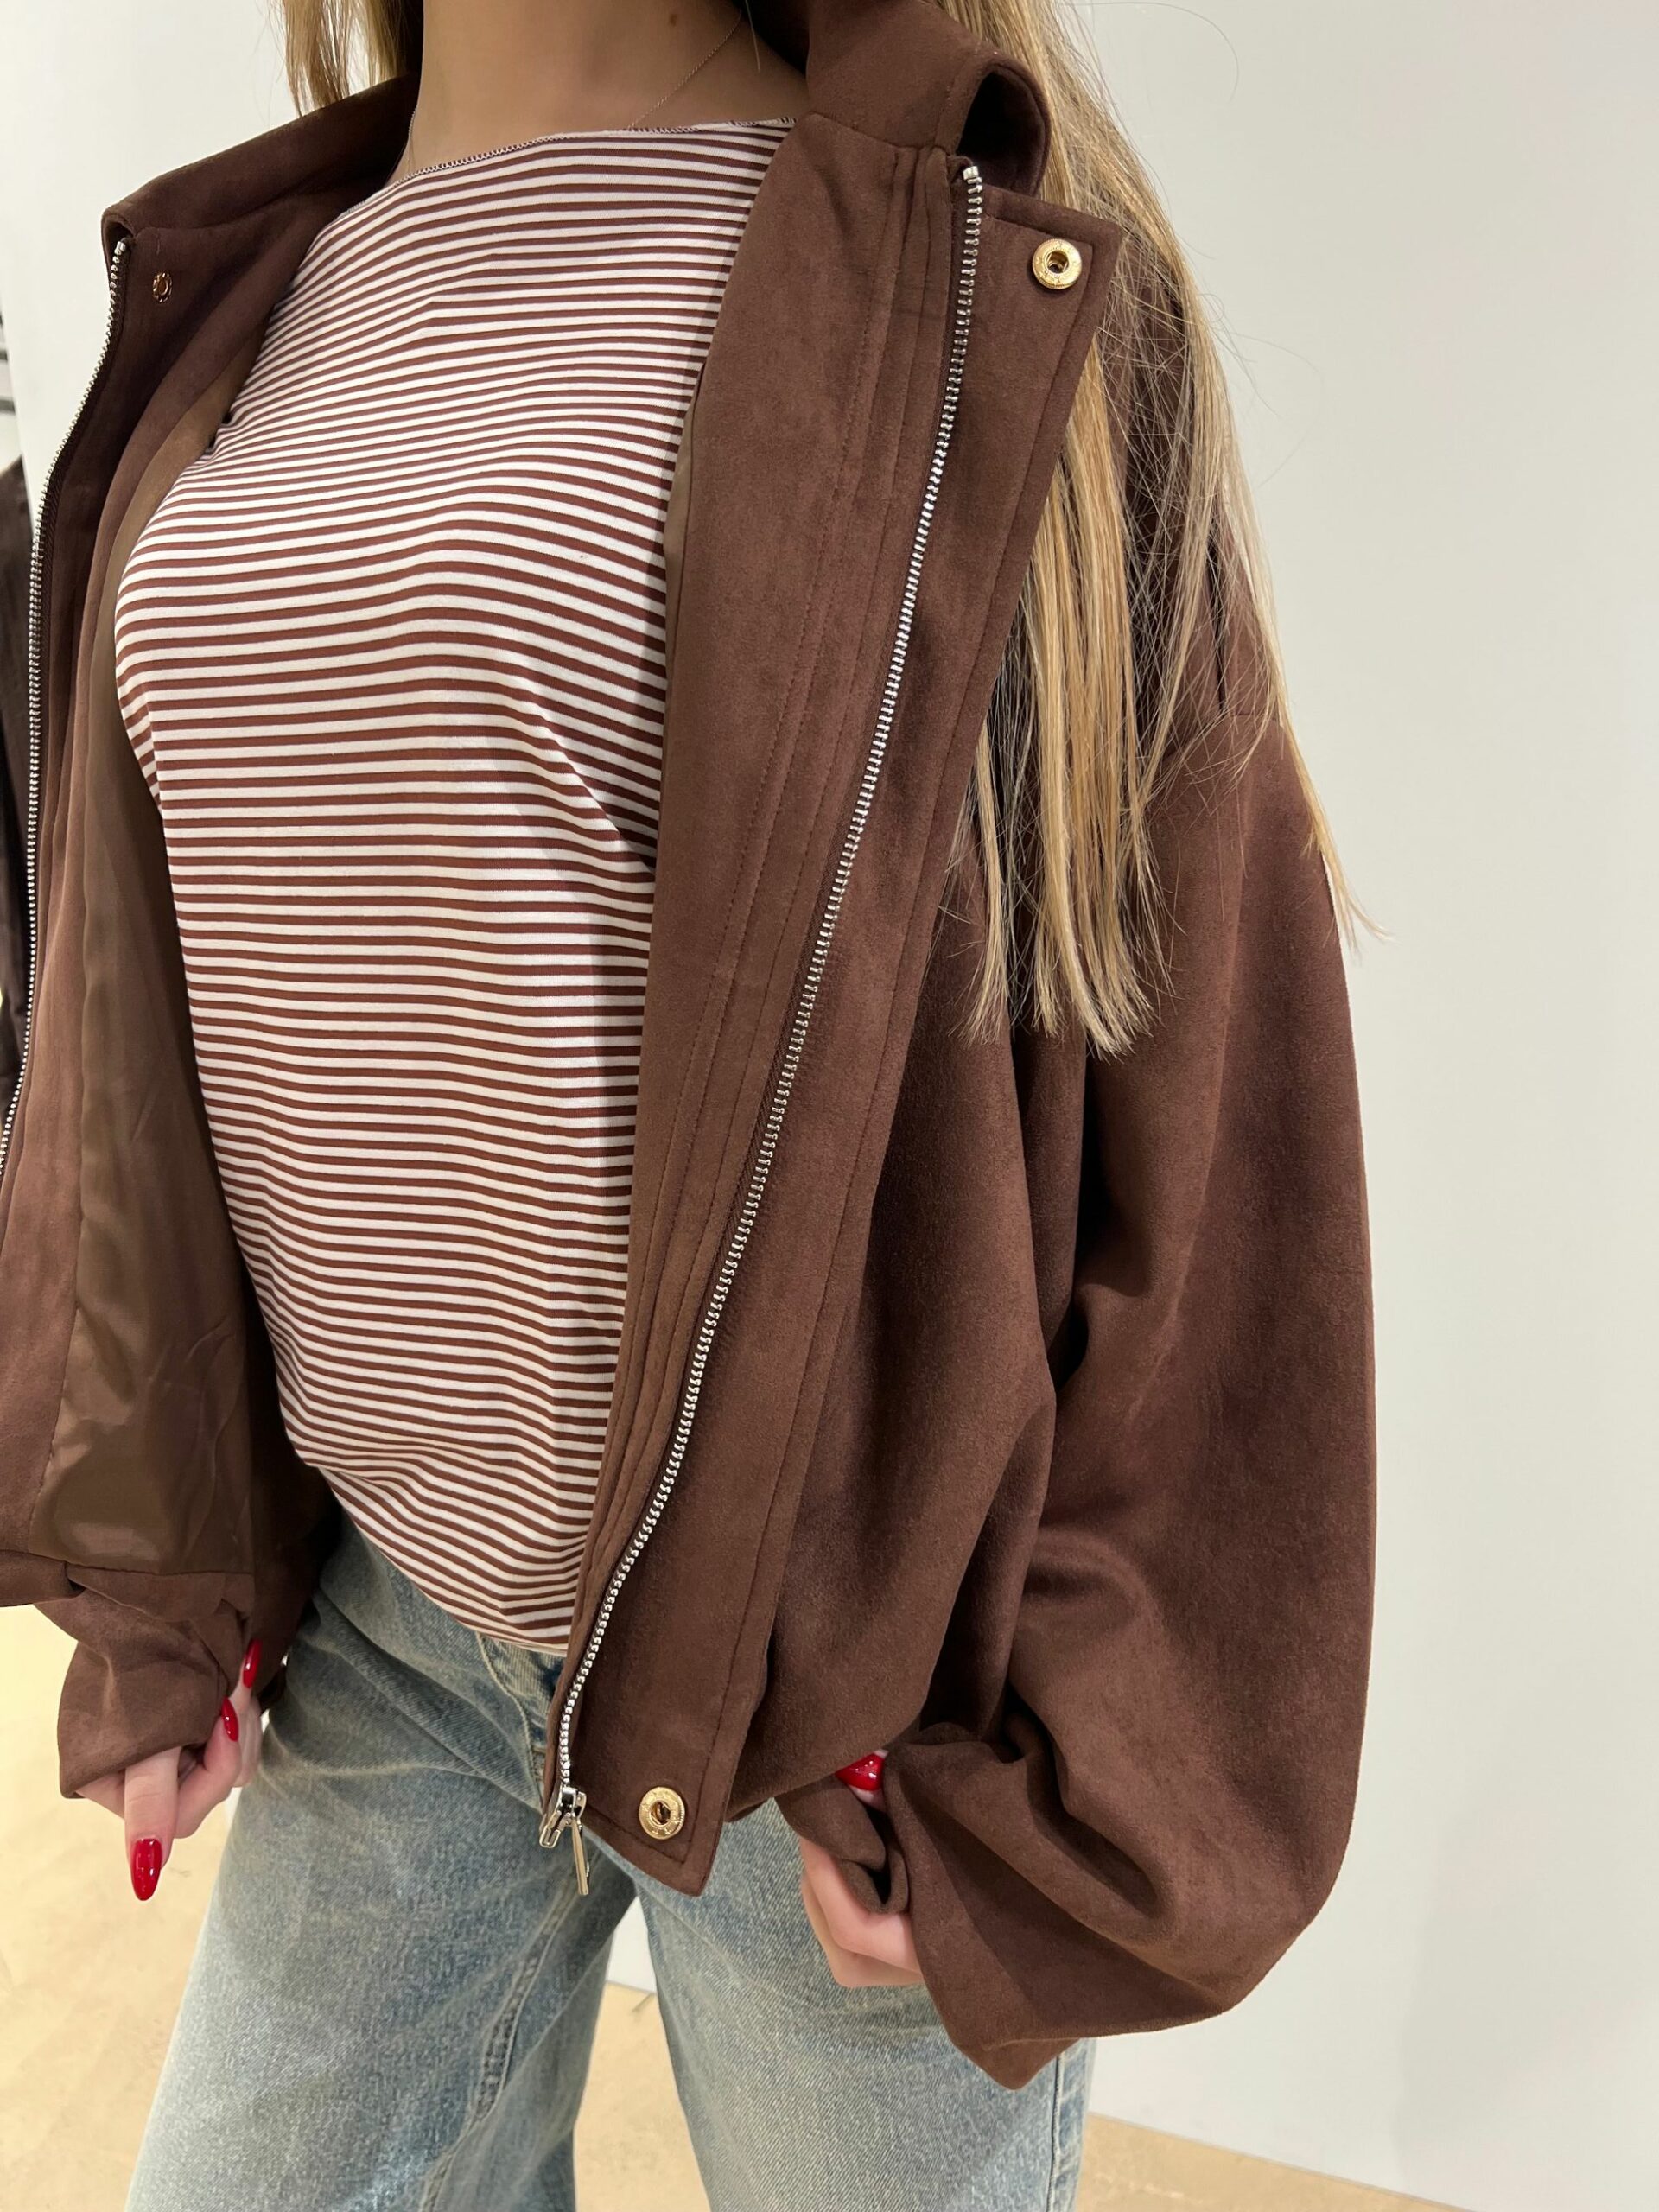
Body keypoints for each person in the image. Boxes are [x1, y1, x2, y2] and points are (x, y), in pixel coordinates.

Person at [0, 1, 1375, 2205]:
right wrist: (177, 1588)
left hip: (832, 1703)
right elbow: (163, 1029)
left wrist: (1075, 1804)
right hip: (389, 1627)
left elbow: (1215, 1140)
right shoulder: (246, 293)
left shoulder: (985, 301)